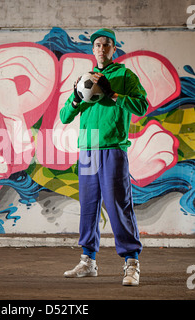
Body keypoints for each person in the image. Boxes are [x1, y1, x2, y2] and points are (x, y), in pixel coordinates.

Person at [60, 28, 148, 286]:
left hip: (113, 149)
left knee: (118, 204)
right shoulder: (84, 79)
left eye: (107, 45)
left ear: (114, 49)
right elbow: (65, 116)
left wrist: (113, 94)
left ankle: (131, 262)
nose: (102, 49)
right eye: (98, 45)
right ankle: (88, 260)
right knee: (88, 208)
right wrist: (77, 98)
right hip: (87, 151)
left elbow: (142, 106)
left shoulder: (124, 75)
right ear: (93, 49)